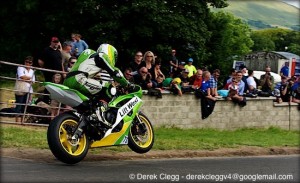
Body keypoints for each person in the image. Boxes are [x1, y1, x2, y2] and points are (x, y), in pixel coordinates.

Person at [63, 44, 129, 126]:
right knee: (107, 89)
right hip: (79, 80)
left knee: (91, 103)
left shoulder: (89, 56)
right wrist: (127, 84)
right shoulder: (101, 56)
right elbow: (115, 73)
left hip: (68, 80)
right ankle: (101, 113)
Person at [14, 56, 36, 123]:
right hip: (21, 88)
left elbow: (33, 81)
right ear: (24, 62)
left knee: (25, 105)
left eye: (29, 62)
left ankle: (22, 120)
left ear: (31, 63)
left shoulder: (32, 71)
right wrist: (29, 78)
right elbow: (21, 76)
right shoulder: (20, 68)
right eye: (26, 62)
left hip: (29, 90)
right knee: (19, 104)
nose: (28, 64)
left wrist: (26, 78)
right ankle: (16, 120)